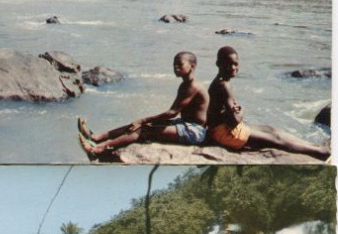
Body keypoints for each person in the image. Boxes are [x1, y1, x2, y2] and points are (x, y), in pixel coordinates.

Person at [207, 46, 330, 161]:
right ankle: (320, 152)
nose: (233, 68)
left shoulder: (221, 82)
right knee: (275, 139)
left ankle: (313, 145)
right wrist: (241, 111)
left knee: (271, 130)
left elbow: (225, 114)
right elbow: (233, 122)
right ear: (218, 64)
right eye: (228, 65)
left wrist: (235, 113)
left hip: (224, 128)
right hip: (225, 134)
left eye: (235, 64)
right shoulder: (223, 86)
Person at [77, 51, 209, 157]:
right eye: (174, 64)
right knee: (136, 125)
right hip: (183, 124)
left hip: (194, 131)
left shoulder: (193, 86)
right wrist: (143, 121)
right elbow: (173, 113)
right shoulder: (185, 84)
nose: (175, 67)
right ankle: (97, 137)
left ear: (192, 66)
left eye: (180, 64)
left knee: (142, 129)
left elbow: (172, 113)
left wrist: (144, 119)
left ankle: (99, 149)